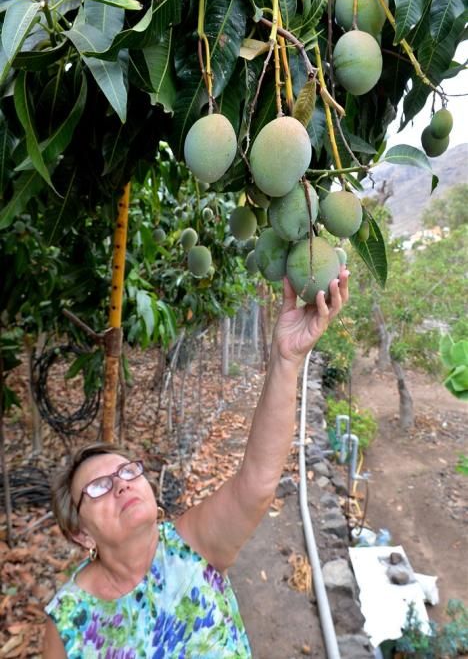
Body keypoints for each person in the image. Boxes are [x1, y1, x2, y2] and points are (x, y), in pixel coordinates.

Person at [43, 272, 349, 658]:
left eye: (127, 471)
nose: (121, 484)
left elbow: (257, 481)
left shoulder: (192, 547)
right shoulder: (67, 625)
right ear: (81, 534)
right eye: (99, 487)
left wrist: (286, 361)